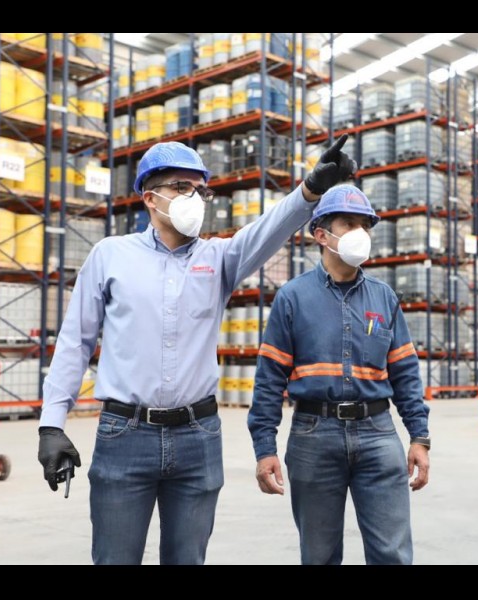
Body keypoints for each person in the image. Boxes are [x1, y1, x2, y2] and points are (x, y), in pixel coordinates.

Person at [37, 136, 356, 565]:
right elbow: (75, 342)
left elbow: (268, 230)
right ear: (150, 197)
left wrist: (310, 191)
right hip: (125, 434)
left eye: (199, 189)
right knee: (115, 557)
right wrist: (51, 424)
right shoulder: (110, 256)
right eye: (181, 187)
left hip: (197, 436)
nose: (194, 197)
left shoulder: (219, 258)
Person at [248, 185, 431, 565]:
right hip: (314, 435)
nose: (360, 232)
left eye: (365, 225)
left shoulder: (384, 298)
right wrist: (265, 448)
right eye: (349, 223)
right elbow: (269, 379)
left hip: (378, 434)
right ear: (321, 235)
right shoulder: (293, 298)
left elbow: (405, 373)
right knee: (319, 555)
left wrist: (419, 437)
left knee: (393, 554)